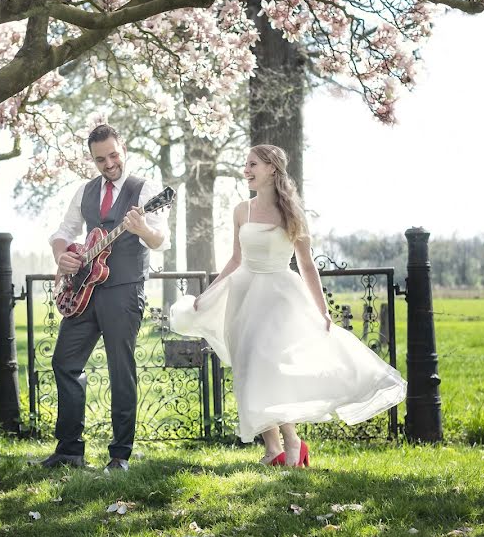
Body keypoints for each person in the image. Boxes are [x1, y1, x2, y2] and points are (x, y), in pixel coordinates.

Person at [169, 144, 406, 467]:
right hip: (243, 294)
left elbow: (307, 265)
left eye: (252, 164)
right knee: (248, 367)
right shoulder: (242, 210)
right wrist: (208, 294)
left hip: (279, 296)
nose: (246, 170)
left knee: (269, 367)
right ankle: (273, 449)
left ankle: (292, 443)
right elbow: (236, 259)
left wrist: (322, 309)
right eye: (245, 164)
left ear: (271, 168)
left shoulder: (293, 212)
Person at [41, 124, 170, 472]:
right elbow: (64, 232)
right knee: (64, 362)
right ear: (93, 159)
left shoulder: (146, 189)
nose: (109, 163)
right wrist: (62, 255)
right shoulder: (85, 192)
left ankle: (120, 456)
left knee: (120, 370)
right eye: (100, 159)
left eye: (113, 155)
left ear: (123, 148)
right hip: (84, 290)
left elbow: (161, 239)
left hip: (125, 291)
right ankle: (69, 450)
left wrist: (142, 228)